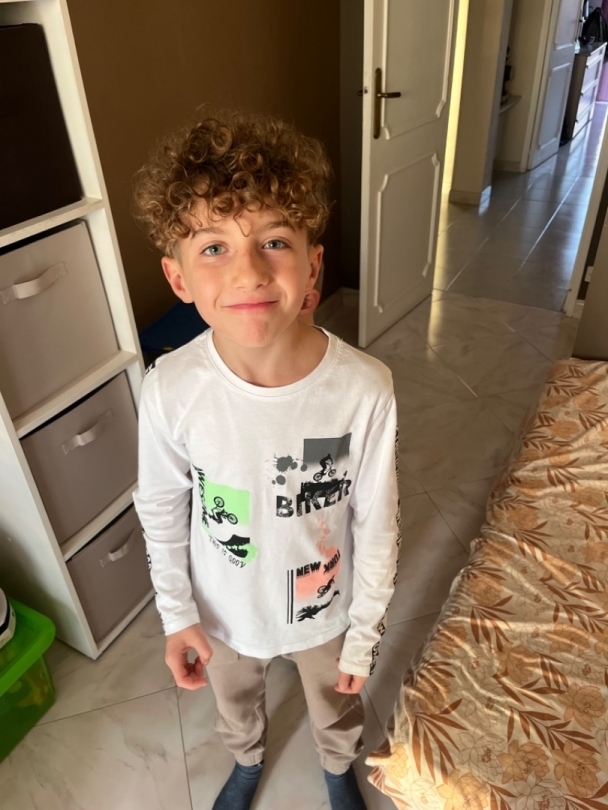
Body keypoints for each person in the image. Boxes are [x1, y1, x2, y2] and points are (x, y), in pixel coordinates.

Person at [132, 112, 400, 810]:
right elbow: (161, 505)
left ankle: (337, 768)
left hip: (326, 608)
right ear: (178, 278)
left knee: (336, 708)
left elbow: (376, 520)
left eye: (274, 241)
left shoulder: (364, 389)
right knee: (236, 704)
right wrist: (177, 613)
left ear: (312, 265)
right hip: (223, 612)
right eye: (214, 247)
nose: (248, 270)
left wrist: (365, 632)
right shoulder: (170, 389)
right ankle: (248, 761)